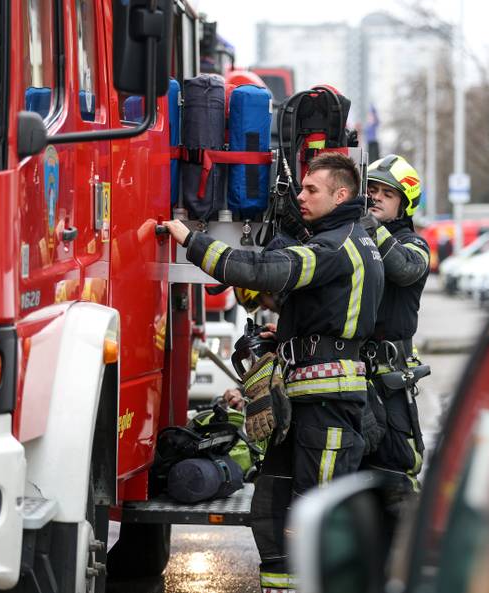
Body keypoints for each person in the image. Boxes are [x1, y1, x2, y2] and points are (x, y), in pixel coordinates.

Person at [163, 152, 383, 593]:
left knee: (316, 515)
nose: (301, 196)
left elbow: (263, 272)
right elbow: (327, 309)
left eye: (312, 190)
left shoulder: (337, 245)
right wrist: (285, 337)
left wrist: (192, 240)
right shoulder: (341, 239)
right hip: (305, 403)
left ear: (341, 194)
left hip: (328, 405)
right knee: (272, 507)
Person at [359, 154, 430, 518]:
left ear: (404, 204)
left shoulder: (414, 245)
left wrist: (372, 227)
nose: (376, 197)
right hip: (349, 374)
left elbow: (403, 269)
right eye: (371, 189)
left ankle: (402, 546)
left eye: (387, 193)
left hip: (389, 381)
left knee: (396, 468)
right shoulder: (355, 239)